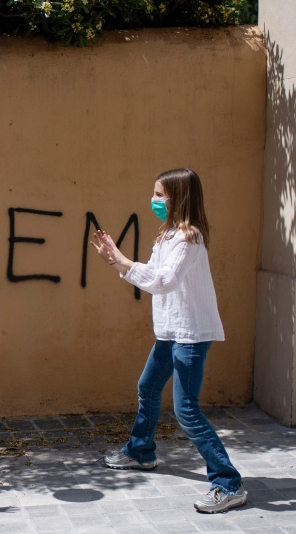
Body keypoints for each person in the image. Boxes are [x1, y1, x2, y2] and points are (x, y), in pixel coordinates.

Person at [91, 168, 246, 513]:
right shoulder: (168, 235)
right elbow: (152, 274)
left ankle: (228, 483)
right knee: (147, 387)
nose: (155, 200)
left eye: (160, 194)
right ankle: (141, 451)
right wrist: (119, 262)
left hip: (190, 335)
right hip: (171, 331)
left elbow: (163, 280)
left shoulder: (189, 239)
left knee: (186, 410)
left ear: (179, 198)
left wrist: (121, 261)